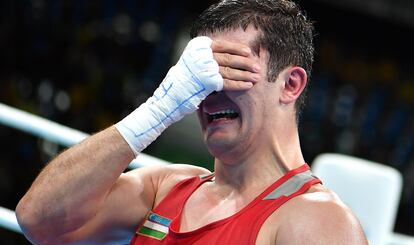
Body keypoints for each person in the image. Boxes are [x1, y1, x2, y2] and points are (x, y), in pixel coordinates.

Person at [16, 0, 368, 244]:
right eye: (199, 74)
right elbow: (38, 221)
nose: (210, 89)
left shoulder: (318, 222)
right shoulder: (164, 189)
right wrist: (158, 108)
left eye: (232, 69)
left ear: (290, 84)